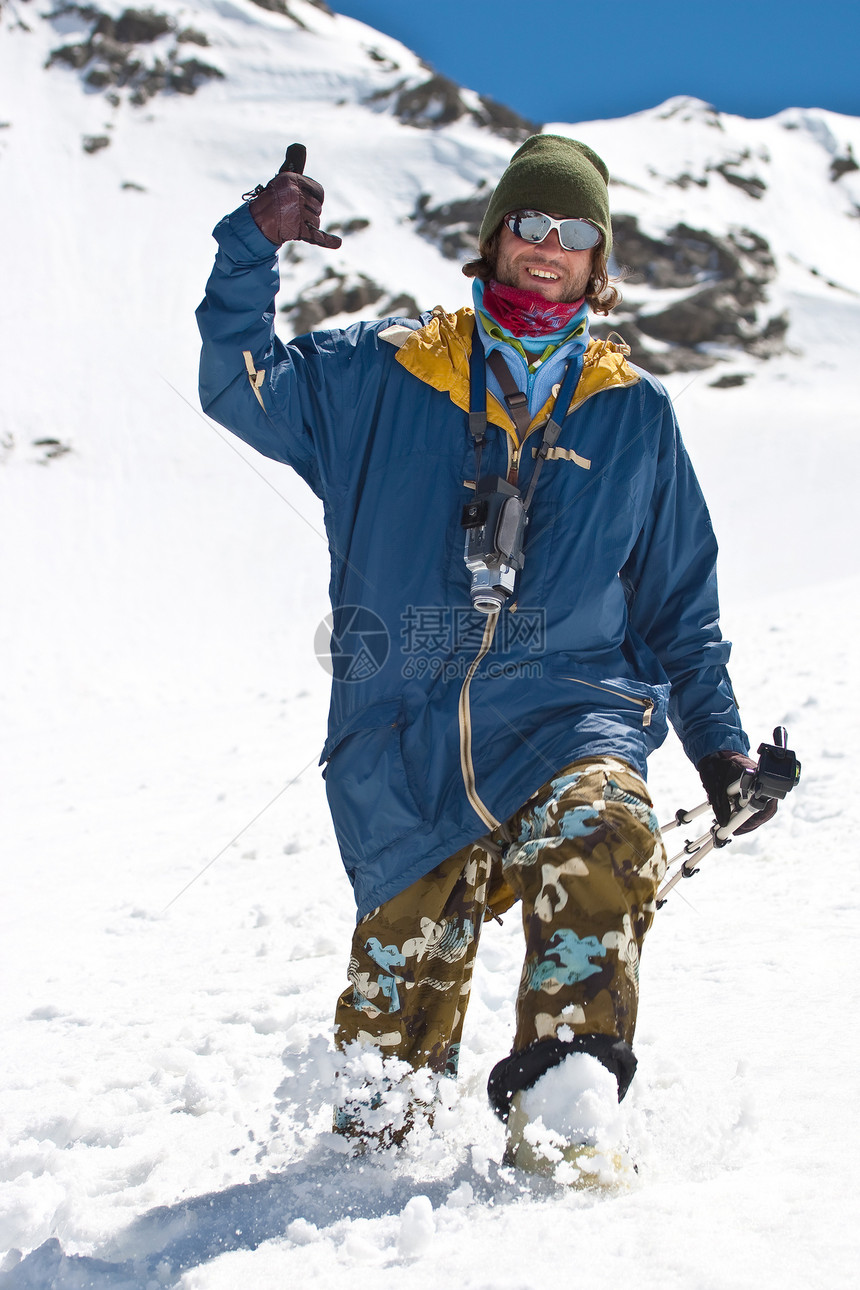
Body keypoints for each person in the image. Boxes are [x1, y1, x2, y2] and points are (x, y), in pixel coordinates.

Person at [196, 134, 774, 1176]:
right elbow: (237, 387)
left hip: (569, 719)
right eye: (529, 223)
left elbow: (678, 609)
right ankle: (362, 1189)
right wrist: (251, 246)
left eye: (573, 233)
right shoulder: (383, 372)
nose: (546, 247)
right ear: (493, 236)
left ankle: (565, 1122)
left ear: (597, 264)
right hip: (406, 751)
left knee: (605, 832)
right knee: (380, 1109)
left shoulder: (633, 414)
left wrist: (721, 754)